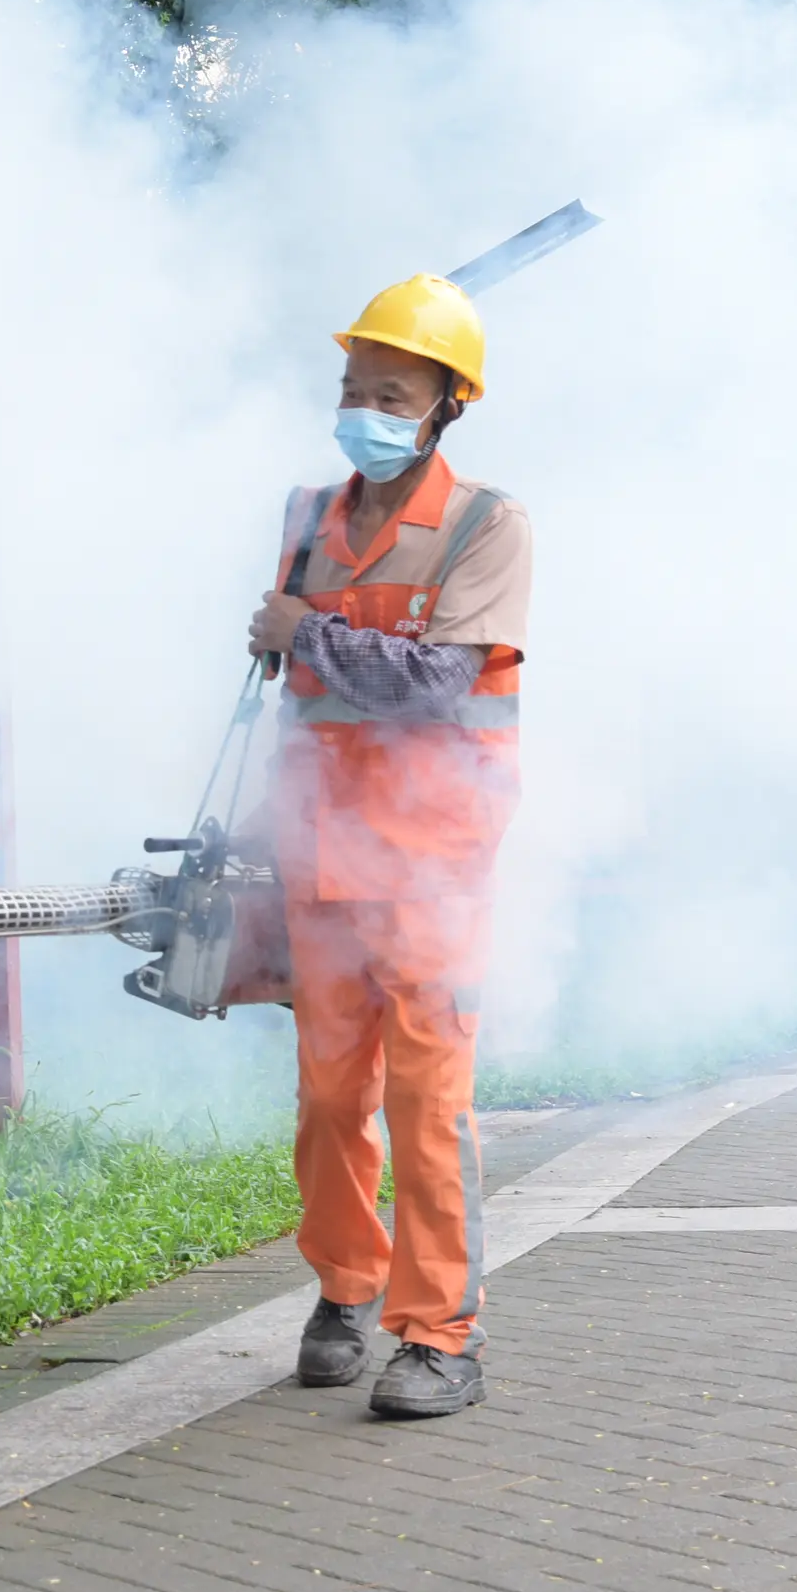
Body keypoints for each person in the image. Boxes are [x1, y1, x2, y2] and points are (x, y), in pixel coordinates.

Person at [243, 274, 530, 1421]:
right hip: (319, 853)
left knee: (426, 1099)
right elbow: (288, 670)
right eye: (353, 386)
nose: (365, 407)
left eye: (392, 391)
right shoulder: (308, 516)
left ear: (446, 405)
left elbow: (431, 684)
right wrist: (283, 639)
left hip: (433, 863)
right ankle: (345, 1293)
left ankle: (440, 1336)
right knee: (326, 1099)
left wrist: (302, 631)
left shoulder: (486, 525)